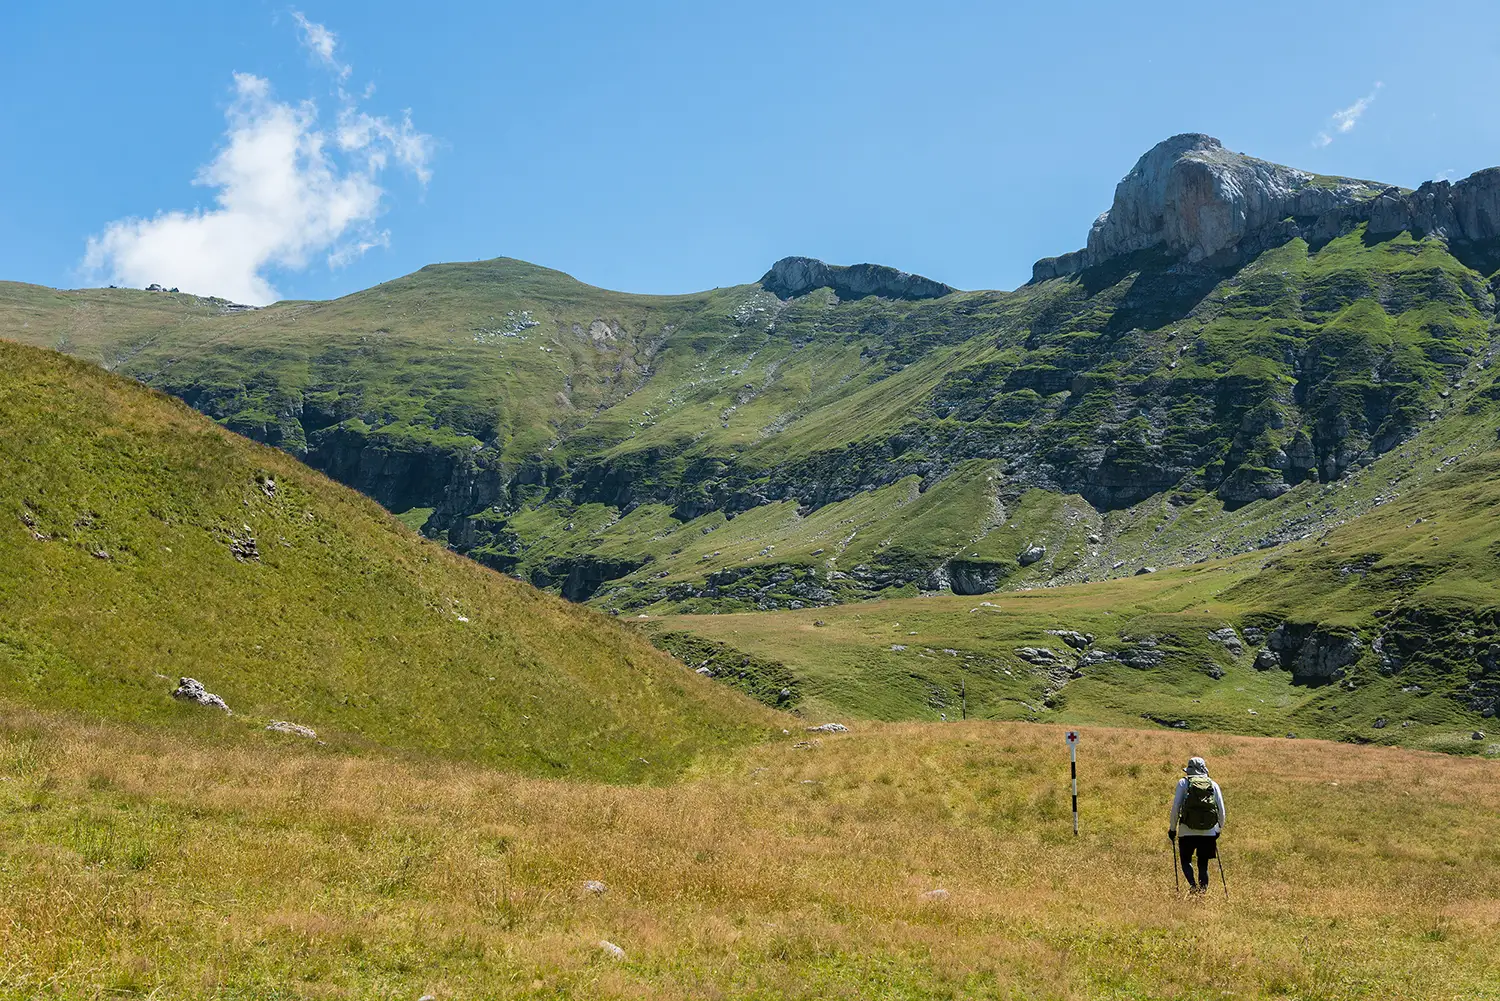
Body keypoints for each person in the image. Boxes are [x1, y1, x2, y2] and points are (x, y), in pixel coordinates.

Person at [1168, 756, 1226, 894]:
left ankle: (1193, 886)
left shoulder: (1183, 783)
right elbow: (1221, 810)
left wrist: (1172, 828)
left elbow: (1176, 807)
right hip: (1208, 831)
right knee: (1203, 865)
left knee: (1185, 861)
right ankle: (1202, 893)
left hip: (1186, 830)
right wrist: (1218, 829)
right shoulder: (1213, 784)